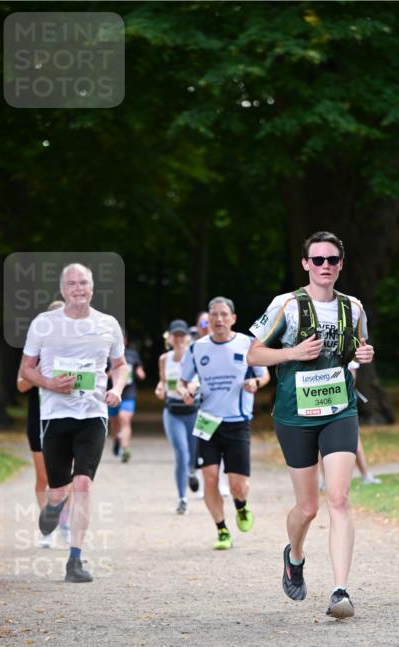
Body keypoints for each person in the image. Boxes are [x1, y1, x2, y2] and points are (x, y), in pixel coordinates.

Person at [247, 230, 374, 619]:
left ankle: (339, 591)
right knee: (307, 507)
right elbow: (254, 352)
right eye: (317, 260)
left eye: (332, 260)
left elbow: (357, 349)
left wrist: (363, 354)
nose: (324, 266)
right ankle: (295, 555)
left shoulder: (353, 307)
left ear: (341, 264)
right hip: (294, 414)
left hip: (339, 409)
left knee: (338, 498)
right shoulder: (285, 305)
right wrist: (293, 352)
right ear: (305, 264)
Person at [18, 263, 126, 582]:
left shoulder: (108, 324)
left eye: (84, 283)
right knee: (59, 488)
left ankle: (75, 560)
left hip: (93, 414)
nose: (78, 288)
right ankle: (53, 506)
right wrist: (51, 384)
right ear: (63, 290)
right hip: (54, 415)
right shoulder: (44, 324)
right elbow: (26, 368)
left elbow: (119, 365)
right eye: (72, 284)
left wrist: (116, 388)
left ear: (92, 287)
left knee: (83, 484)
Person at [179, 296, 269, 549]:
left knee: (237, 485)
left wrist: (255, 383)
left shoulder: (247, 343)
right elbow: (183, 381)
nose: (218, 319)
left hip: (237, 421)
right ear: (207, 320)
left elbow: (264, 375)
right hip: (207, 421)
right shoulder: (197, 348)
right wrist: (186, 391)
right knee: (209, 477)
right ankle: (221, 530)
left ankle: (240, 505)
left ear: (233, 318)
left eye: (223, 314)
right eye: (213, 315)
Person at [16, 299, 71, 549]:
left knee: (65, 478)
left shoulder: (74, 349)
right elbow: (21, 385)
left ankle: (66, 524)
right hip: (38, 418)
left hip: (66, 416)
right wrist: (37, 370)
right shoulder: (33, 350)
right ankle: (47, 528)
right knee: (43, 477)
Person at [155, 319, 200, 514]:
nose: (179, 338)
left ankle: (192, 471)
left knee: (193, 454)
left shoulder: (194, 355)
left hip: (192, 410)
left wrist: (191, 388)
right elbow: (163, 382)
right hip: (173, 412)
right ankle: (182, 498)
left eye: (182, 335)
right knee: (181, 454)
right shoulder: (164, 359)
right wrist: (159, 388)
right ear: (170, 338)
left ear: (188, 338)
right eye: (176, 335)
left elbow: (197, 380)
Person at [108, 334, 146, 462]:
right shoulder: (108, 354)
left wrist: (140, 372)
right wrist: (112, 373)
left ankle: (125, 449)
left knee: (124, 418)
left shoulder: (132, 354)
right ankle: (116, 442)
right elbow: (102, 373)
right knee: (114, 423)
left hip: (129, 393)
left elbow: (138, 366)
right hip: (112, 393)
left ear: (126, 339)